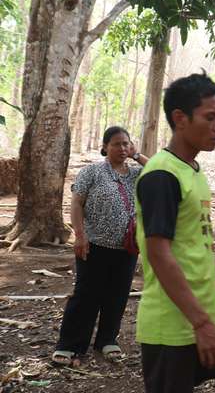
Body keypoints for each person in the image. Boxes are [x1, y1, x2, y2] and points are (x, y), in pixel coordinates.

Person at [135, 73, 215, 393]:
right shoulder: (162, 175)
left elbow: (197, 246)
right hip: (173, 325)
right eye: (211, 117)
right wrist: (201, 324)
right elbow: (158, 253)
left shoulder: (193, 170)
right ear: (180, 118)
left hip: (209, 312)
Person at [52, 126, 148, 367]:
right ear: (105, 147)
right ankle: (70, 345)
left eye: (126, 144)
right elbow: (76, 203)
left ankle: (107, 340)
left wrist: (137, 155)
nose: (122, 148)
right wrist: (80, 235)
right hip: (94, 245)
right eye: (116, 144)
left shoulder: (137, 174)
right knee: (86, 294)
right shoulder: (92, 172)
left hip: (126, 248)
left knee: (117, 295)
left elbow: (162, 169)